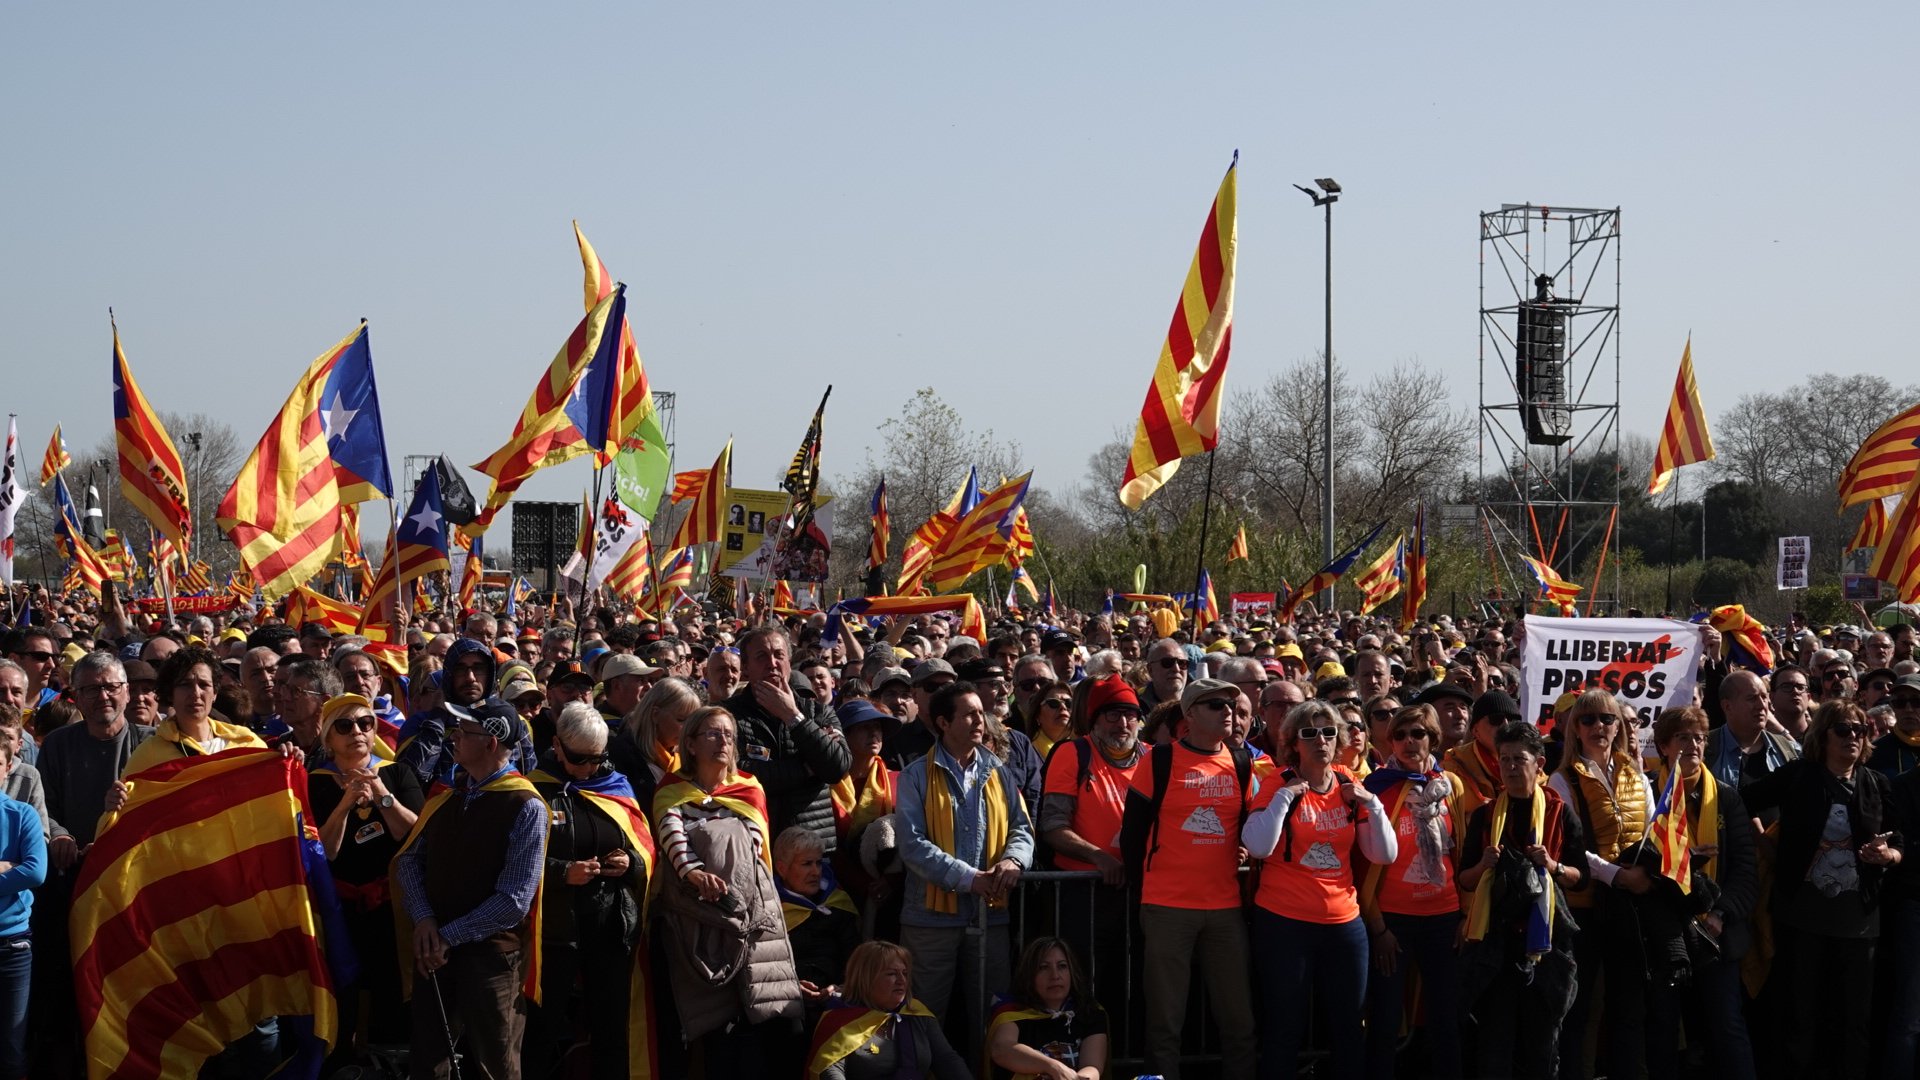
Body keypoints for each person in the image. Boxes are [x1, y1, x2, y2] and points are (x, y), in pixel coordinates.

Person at [1741, 699, 1901, 1080]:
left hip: (1859, 925)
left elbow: (1903, 837)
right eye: (1843, 729)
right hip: (1801, 920)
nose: (1852, 737)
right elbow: (1740, 801)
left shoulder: (1877, 783)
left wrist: (1889, 854)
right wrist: (1765, 844)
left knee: (1853, 1021)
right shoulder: (1799, 775)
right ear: (1823, 734)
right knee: (1800, 1015)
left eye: (1859, 730)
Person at [392, 699, 549, 1080]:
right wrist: (425, 920)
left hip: (491, 958)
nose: (455, 736)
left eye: (465, 731)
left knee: (493, 1064)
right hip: (436, 950)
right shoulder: (448, 795)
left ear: (491, 743)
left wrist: (447, 936)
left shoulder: (526, 805)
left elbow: (514, 899)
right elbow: (410, 861)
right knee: (429, 1061)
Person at [1242, 699, 1394, 1080]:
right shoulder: (1278, 782)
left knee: (1348, 1028)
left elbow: (1384, 852)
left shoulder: (1347, 781)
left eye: (1328, 732)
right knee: (1284, 1028)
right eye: (1309, 733)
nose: (1320, 740)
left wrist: (1371, 805)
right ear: (1294, 742)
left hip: (1344, 924)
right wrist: (1283, 798)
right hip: (1284, 923)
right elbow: (1258, 846)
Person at [1118, 677, 1257, 1080]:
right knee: (1164, 1026)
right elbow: (1132, 835)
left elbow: (1247, 827)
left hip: (1226, 909)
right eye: (1215, 705)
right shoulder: (1159, 760)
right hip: (1167, 908)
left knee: (1239, 1024)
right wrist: (1145, 896)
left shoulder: (1241, 762)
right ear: (1190, 714)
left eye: (1231, 704)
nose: (1227, 712)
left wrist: (1244, 847)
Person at [652, 705, 803, 1069]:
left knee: (758, 1018)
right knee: (714, 1026)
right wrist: (693, 873)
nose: (723, 742)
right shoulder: (670, 792)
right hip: (694, 916)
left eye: (729, 736)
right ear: (690, 744)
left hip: (748, 915)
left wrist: (728, 887)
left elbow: (752, 849)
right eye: (713, 734)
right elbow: (672, 838)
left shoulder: (749, 790)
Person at [896, 680, 1034, 1039]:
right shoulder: (914, 776)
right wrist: (970, 877)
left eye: (981, 714)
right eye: (970, 714)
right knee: (925, 1018)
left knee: (995, 1018)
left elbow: (1022, 828)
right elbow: (912, 844)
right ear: (943, 723)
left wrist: (1014, 862)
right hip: (930, 921)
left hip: (990, 915)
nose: (980, 721)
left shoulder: (999, 772)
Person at [526, 703, 653, 1080]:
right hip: (554, 933)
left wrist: (630, 862)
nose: (588, 770)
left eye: (596, 759)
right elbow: (515, 861)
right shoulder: (534, 790)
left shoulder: (616, 785)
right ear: (557, 746)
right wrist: (563, 872)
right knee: (541, 1030)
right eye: (579, 759)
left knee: (611, 1028)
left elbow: (645, 847)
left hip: (609, 927)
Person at [1456, 721, 1586, 1080]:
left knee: (1543, 1049)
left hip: (1545, 947)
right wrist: (1484, 863)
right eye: (1504, 759)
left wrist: (1552, 865)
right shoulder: (1485, 816)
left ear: (1539, 764)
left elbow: (1581, 878)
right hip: (1496, 945)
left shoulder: (1560, 812)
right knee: (1494, 1047)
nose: (1511, 767)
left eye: (1519, 759)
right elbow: (1463, 880)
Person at [1545, 689, 1659, 1080]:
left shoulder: (1636, 775)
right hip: (1584, 908)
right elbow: (1568, 848)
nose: (1598, 727)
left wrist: (1643, 873)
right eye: (1588, 719)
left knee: (1629, 1007)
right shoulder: (1561, 780)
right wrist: (1618, 876)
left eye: (1607, 719)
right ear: (1574, 728)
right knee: (1580, 1009)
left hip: (1629, 910)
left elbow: (1650, 833)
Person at [307, 693, 424, 1069]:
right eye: (344, 726)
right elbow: (327, 852)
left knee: (393, 984)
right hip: (340, 908)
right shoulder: (317, 783)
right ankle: (346, 1061)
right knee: (346, 985)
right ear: (328, 739)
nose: (357, 732)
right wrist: (345, 804)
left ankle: (390, 1059)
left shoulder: (397, 773)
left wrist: (381, 795)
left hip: (392, 905)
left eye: (364, 724)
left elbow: (413, 835)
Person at [1649, 706, 1758, 1080]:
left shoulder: (1726, 797)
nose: (1694, 744)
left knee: (1727, 1026)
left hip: (1715, 935)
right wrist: (1682, 862)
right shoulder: (1649, 795)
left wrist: (1718, 915)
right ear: (1663, 746)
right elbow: (1639, 863)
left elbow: (1745, 869)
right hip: (1665, 935)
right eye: (1683, 737)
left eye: (1698, 737)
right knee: (1665, 1030)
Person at [1359, 703, 1464, 1080]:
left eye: (1417, 733)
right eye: (1399, 735)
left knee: (1445, 1019)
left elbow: (1460, 851)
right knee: (1384, 1020)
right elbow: (1364, 866)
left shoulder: (1452, 786)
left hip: (1443, 919)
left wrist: (1463, 915)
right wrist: (1378, 927)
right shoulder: (1376, 788)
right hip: (1393, 923)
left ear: (1433, 738)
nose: (1407, 741)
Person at [722, 628, 850, 853]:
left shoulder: (818, 713)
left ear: (789, 662)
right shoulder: (727, 716)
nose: (772, 663)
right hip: (757, 847)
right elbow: (737, 774)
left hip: (814, 847)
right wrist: (807, 769)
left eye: (779, 655)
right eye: (761, 656)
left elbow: (836, 767)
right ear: (745, 667)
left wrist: (794, 718)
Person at [805, 940, 970, 1079]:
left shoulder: (916, 1012)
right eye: (891, 974)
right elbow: (828, 1069)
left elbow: (947, 1060)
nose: (901, 980)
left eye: (905, 973)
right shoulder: (839, 1019)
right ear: (865, 979)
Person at [396, 637, 536, 792]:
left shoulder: (510, 722)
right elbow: (408, 780)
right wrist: (437, 719)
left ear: (490, 674)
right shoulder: (422, 723)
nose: (470, 678)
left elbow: (527, 781)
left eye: (478, 668)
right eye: (460, 669)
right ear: (449, 675)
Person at [123, 645, 267, 774]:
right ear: (170, 693)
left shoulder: (247, 743)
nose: (196, 693)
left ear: (215, 693)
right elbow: (131, 801)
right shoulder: (149, 754)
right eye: (185, 684)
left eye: (204, 685)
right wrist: (116, 799)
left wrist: (284, 755)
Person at [985, 936, 1109, 1080]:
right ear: (1029, 974)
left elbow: (1092, 1066)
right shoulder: (1011, 1010)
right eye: (1044, 967)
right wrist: (1053, 1067)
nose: (1055, 976)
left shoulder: (1090, 1012)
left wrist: (1080, 1078)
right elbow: (1001, 1049)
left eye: (1062, 966)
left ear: (1072, 972)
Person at [774, 825, 861, 1017]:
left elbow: (856, 958)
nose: (816, 872)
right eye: (806, 864)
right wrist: (791, 987)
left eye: (819, 863)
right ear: (782, 868)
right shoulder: (770, 909)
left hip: (839, 1000)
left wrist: (842, 988)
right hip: (785, 1004)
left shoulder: (838, 904)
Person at [0, 737, 44, 1079]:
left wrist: (14, 870)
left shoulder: (21, 814)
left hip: (12, 947)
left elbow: (35, 871)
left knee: (11, 1050)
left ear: (7, 769)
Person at [610, 676, 701, 810]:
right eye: (681, 720)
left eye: (692, 722)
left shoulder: (692, 758)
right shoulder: (619, 755)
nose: (689, 729)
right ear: (655, 714)